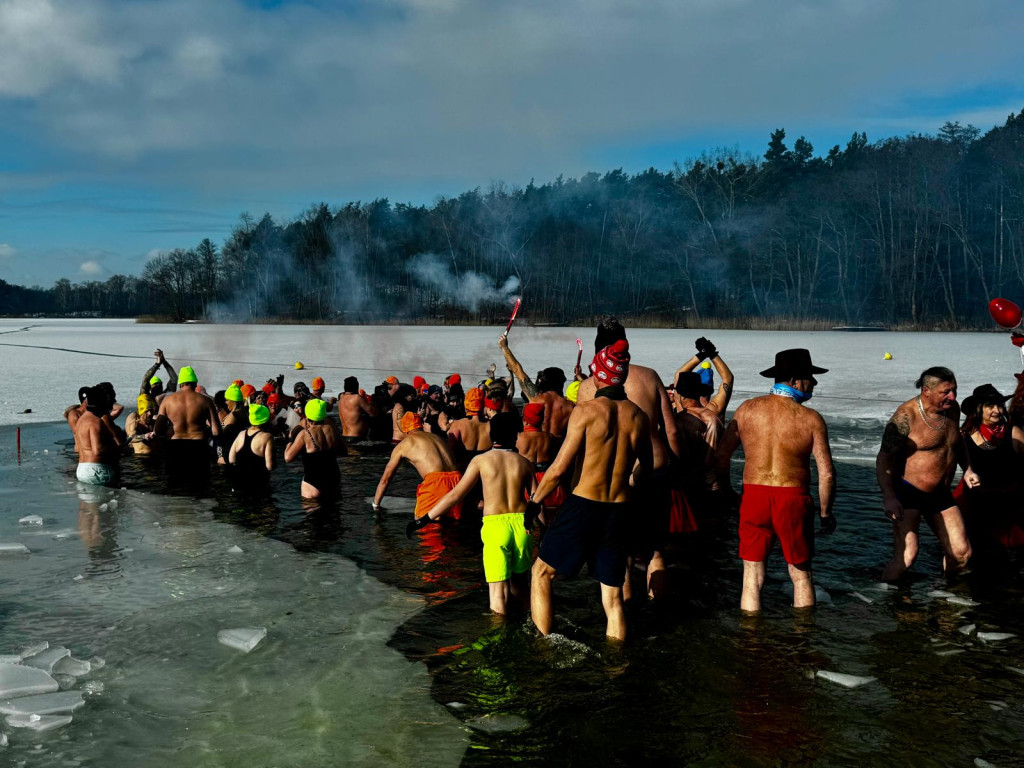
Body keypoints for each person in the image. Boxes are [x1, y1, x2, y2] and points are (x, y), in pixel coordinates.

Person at [529, 340, 652, 642]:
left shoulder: (585, 412)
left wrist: (534, 502)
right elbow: (647, 467)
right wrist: (628, 485)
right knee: (612, 597)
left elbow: (558, 469)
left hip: (584, 503)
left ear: (599, 376)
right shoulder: (638, 417)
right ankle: (616, 663)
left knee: (541, 574)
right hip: (619, 508)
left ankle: (544, 647)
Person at [717, 348, 836, 612]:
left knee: (751, 575)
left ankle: (750, 638)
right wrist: (826, 513)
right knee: (801, 574)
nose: (814, 383)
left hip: (753, 497)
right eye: (809, 377)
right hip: (792, 498)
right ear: (794, 380)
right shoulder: (811, 419)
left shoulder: (747, 410)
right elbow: (826, 473)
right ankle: (803, 636)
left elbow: (722, 456)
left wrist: (727, 490)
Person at [575, 318, 681, 600]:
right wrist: (679, 469)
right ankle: (660, 617)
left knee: (617, 551)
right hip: (655, 471)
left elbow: (581, 444)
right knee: (655, 551)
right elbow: (671, 430)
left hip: (612, 478)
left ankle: (623, 616)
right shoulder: (649, 376)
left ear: (598, 350)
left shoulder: (587, 388)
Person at [408, 413, 537, 614]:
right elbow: (536, 501)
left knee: (498, 592)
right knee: (521, 587)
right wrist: (545, 530)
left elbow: (455, 495)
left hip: (496, 527)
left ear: (492, 434)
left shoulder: (481, 461)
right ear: (515, 435)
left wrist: (424, 519)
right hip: (523, 525)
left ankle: (499, 637)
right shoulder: (524, 462)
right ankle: (532, 627)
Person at [877, 366, 976, 581]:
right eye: (946, 392)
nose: (952, 396)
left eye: (954, 390)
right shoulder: (905, 417)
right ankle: (883, 597)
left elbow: (956, 443)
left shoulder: (952, 409)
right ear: (926, 391)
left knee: (961, 554)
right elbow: (884, 458)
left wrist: (967, 469)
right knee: (907, 558)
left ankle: (945, 598)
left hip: (940, 494)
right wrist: (889, 497)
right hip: (908, 493)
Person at [953, 384, 1024, 564]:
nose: (997, 411)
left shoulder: (1013, 433)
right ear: (979, 409)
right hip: (976, 503)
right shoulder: (964, 435)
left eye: (1000, 406)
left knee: (1011, 558)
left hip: (1008, 504)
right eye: (991, 406)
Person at [372, 412, 463, 519]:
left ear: (404, 430)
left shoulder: (405, 444)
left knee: (423, 525)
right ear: (420, 425)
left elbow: (385, 479)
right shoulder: (437, 437)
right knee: (451, 526)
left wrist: (376, 504)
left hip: (436, 483)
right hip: (458, 481)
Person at [154, 365, 222, 485]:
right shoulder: (206, 401)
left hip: (175, 447)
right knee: (199, 484)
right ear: (195, 383)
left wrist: (169, 430)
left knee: (175, 485)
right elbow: (216, 431)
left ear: (180, 384)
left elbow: (158, 430)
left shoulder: (167, 401)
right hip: (198, 447)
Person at [498, 334, 574, 438]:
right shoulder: (570, 406)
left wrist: (504, 347)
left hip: (534, 445)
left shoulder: (536, 397)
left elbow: (517, 369)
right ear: (562, 382)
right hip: (557, 450)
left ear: (543, 381)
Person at [285, 399, 343, 499]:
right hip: (334, 479)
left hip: (313, 482)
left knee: (312, 513)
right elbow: (343, 450)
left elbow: (288, 458)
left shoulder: (305, 434)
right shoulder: (332, 428)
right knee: (334, 511)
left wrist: (289, 443)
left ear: (307, 414)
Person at [516, 402, 566, 519]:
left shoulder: (519, 438)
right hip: (548, 481)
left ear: (526, 420)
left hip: (527, 482)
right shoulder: (550, 438)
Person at [74, 384, 126, 485]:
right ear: (102, 401)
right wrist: (116, 447)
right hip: (97, 470)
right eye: (111, 400)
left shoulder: (81, 420)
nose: (112, 403)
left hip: (82, 469)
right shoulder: (95, 421)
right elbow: (98, 450)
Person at [228, 403, 275, 492]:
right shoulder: (267, 437)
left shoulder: (241, 434)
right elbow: (270, 466)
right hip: (257, 485)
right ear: (266, 420)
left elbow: (231, 459)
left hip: (238, 484)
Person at [446, 388, 492, 470]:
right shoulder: (491, 425)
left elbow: (450, 453)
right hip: (486, 471)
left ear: (466, 404)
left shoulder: (458, 425)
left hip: (465, 471)